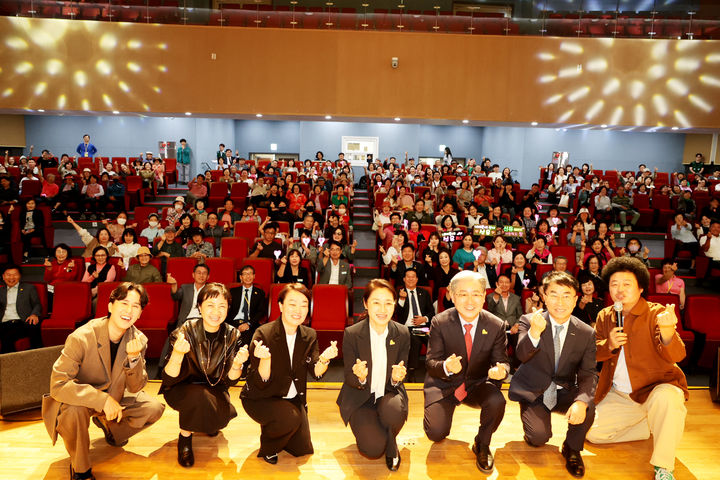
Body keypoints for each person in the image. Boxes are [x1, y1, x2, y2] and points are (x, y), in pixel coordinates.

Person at [41, 283, 164, 480]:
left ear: (140, 312)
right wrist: (101, 400)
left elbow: (136, 387)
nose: (129, 310)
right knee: (74, 411)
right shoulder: (81, 337)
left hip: (115, 396)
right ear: (110, 306)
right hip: (78, 400)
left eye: (136, 306)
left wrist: (133, 359)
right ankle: (80, 469)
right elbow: (58, 384)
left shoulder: (139, 339)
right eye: (124, 303)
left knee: (153, 408)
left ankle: (110, 428)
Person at [587, 257, 689, 480]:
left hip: (656, 388)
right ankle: (650, 424)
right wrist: (609, 344)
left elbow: (678, 355)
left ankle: (663, 467)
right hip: (620, 393)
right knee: (593, 433)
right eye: (614, 284)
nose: (619, 290)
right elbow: (593, 353)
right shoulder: (605, 315)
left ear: (641, 287)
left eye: (626, 284)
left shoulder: (656, 313)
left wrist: (667, 331)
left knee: (669, 400)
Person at [509, 271, 597, 478]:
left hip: (563, 388)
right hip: (533, 389)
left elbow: (588, 373)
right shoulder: (529, 320)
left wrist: (582, 402)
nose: (560, 301)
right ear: (544, 296)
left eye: (567, 295)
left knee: (588, 405)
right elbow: (521, 355)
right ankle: (532, 422)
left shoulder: (586, 332)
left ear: (575, 299)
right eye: (554, 294)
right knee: (539, 437)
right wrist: (534, 333)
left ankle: (572, 448)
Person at [241, 284, 339, 464]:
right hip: (262, 396)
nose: (298, 310)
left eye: (303, 305)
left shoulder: (309, 334)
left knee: (303, 449)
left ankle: (280, 424)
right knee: (290, 419)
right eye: (292, 304)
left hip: (292, 397)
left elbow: (316, 372)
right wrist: (265, 360)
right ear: (280, 306)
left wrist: (325, 359)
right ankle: (270, 442)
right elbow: (261, 380)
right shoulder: (264, 333)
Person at [423, 271, 509, 474]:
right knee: (436, 433)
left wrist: (501, 371)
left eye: (476, 294)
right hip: (444, 384)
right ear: (452, 296)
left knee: (497, 401)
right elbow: (430, 362)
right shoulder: (439, 321)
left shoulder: (496, 325)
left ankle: (483, 443)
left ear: (484, 296)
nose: (470, 301)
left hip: (476, 384)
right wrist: (446, 366)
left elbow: (503, 362)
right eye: (463, 294)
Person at [161, 283, 249, 467]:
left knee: (220, 414)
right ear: (199, 307)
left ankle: (213, 416)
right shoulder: (185, 330)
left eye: (222, 306)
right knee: (198, 395)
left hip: (214, 387)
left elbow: (231, 380)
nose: (216, 311)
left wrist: (238, 364)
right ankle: (184, 439)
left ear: (228, 309)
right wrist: (177, 354)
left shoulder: (232, 335)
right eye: (210, 305)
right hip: (181, 388)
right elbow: (168, 378)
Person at [337, 279, 410, 470]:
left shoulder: (402, 333)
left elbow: (401, 372)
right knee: (372, 449)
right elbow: (349, 377)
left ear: (394, 304)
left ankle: (392, 443)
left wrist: (396, 379)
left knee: (393, 412)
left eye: (388, 302)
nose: (382, 309)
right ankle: (381, 434)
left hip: (388, 393)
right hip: (360, 397)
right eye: (376, 302)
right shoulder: (352, 333)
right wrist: (360, 377)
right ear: (366, 304)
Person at [394, 268, 434, 379]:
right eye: (408, 276)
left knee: (432, 338)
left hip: (422, 327)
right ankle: (412, 370)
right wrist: (401, 299)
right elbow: (397, 314)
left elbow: (432, 312)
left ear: (417, 279)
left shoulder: (424, 293)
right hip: (407, 328)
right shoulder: (399, 293)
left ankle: (435, 367)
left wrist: (424, 319)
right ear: (404, 279)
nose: (411, 279)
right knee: (415, 340)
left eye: (413, 277)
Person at [0, 264, 43, 352]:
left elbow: (37, 304)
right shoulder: (1, 291)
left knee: (8, 337)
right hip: (3, 322)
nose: (11, 277)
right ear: (3, 277)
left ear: (20, 276)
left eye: (15, 274)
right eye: (8, 275)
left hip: (22, 321)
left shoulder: (29, 288)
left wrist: (34, 314)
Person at [486, 274, 523, 366]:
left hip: (512, 327)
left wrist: (516, 325)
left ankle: (516, 367)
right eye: (501, 282)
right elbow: (490, 310)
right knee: (498, 347)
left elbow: (520, 315)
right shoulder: (491, 296)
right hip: (498, 327)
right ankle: (499, 366)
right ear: (496, 284)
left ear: (510, 284)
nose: (504, 284)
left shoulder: (516, 298)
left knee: (519, 341)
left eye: (507, 282)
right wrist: (497, 295)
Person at [227, 265, 268, 345]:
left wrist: (248, 324)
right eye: (245, 274)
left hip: (250, 323)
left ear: (254, 276)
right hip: (233, 323)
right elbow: (228, 309)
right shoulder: (233, 292)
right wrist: (234, 325)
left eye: (250, 274)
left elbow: (261, 311)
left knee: (246, 340)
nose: (247, 276)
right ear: (241, 277)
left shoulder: (260, 293)